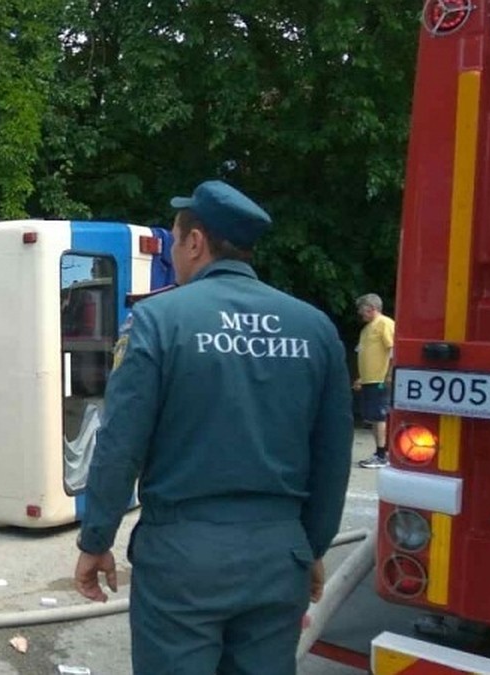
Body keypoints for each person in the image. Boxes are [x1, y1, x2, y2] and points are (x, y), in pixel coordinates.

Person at [72, 180, 353, 675]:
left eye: (175, 242)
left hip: (183, 558)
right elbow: (333, 457)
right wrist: (311, 547)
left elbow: (120, 444)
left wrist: (96, 540)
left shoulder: (156, 321)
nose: (174, 254)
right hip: (278, 553)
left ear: (196, 242)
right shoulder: (314, 328)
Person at [354, 292, 395, 469]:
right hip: (369, 380)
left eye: (362, 309)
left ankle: (382, 455)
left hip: (380, 379)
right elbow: (366, 355)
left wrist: (390, 374)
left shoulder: (384, 324)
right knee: (373, 417)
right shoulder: (366, 329)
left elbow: (393, 349)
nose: (360, 313)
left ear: (371, 308)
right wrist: (361, 378)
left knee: (379, 416)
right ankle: (379, 452)